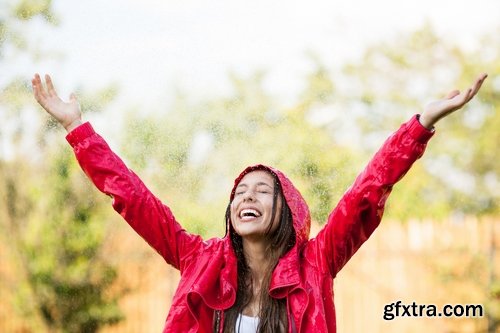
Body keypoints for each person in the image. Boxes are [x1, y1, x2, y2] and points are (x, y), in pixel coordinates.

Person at [32, 72, 487, 333]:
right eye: (239, 193)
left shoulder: (318, 262)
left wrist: (422, 122)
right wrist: (78, 130)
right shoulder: (199, 260)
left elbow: (367, 194)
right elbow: (132, 199)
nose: (245, 197)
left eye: (261, 191)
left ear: (287, 209)